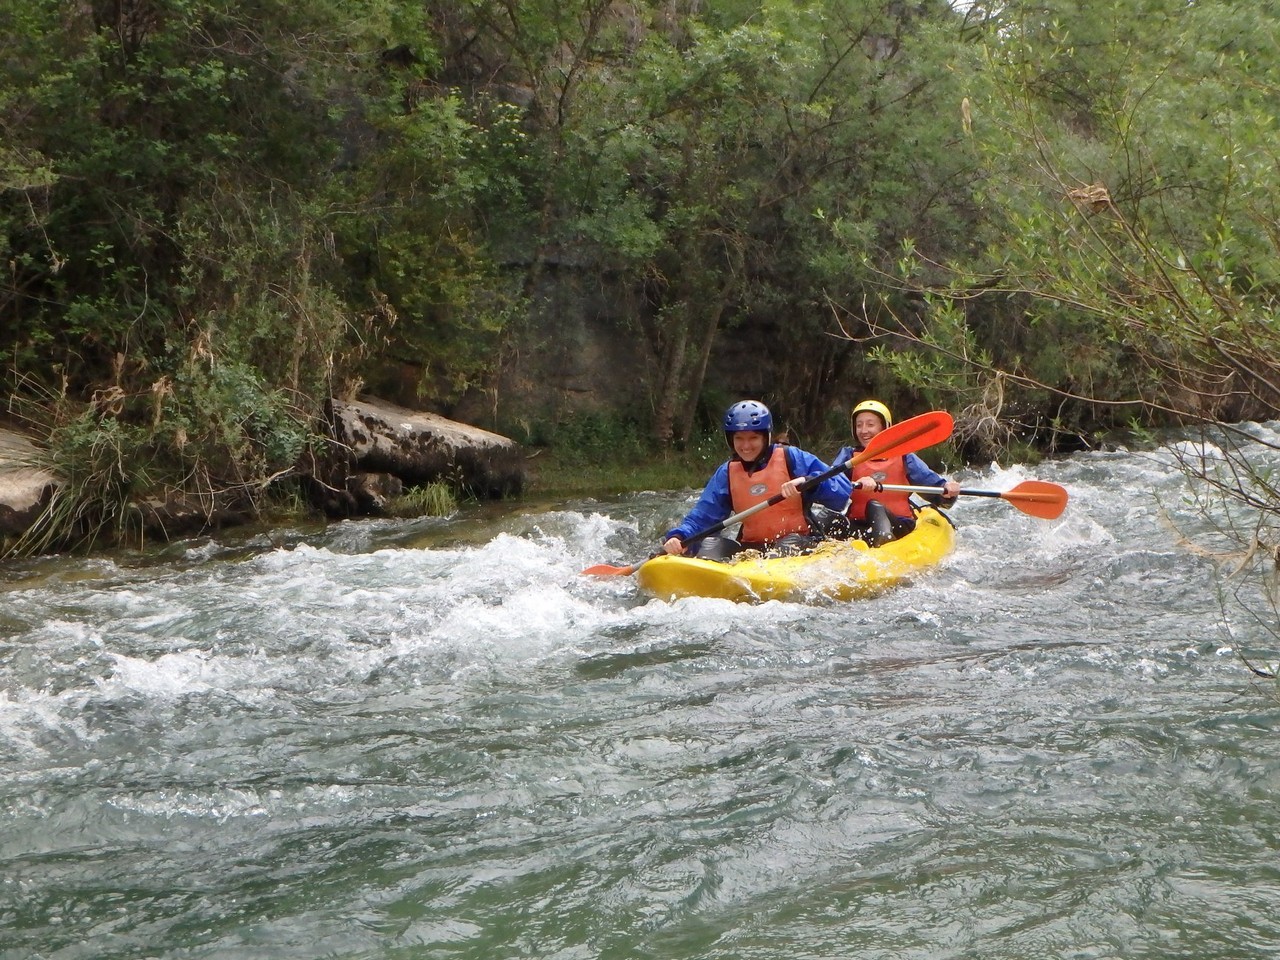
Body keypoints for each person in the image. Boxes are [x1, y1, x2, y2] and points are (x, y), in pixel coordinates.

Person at [661, 400, 852, 560]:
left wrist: (808, 482)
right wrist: (680, 537)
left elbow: (841, 494)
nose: (745, 446)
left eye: (753, 438)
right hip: (752, 549)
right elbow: (703, 518)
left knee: (785, 546)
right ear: (730, 440)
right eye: (739, 439)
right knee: (711, 545)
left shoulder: (792, 457)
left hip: (800, 540)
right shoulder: (727, 473)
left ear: (766, 437)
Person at [832, 399, 960, 545]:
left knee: (874, 506)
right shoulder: (849, 457)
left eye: (870, 424)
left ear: (884, 427)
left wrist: (948, 491)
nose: (864, 430)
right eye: (859, 425)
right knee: (831, 517)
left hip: (899, 526)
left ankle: (884, 542)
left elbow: (936, 492)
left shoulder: (905, 457)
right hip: (859, 526)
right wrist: (856, 483)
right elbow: (831, 486)